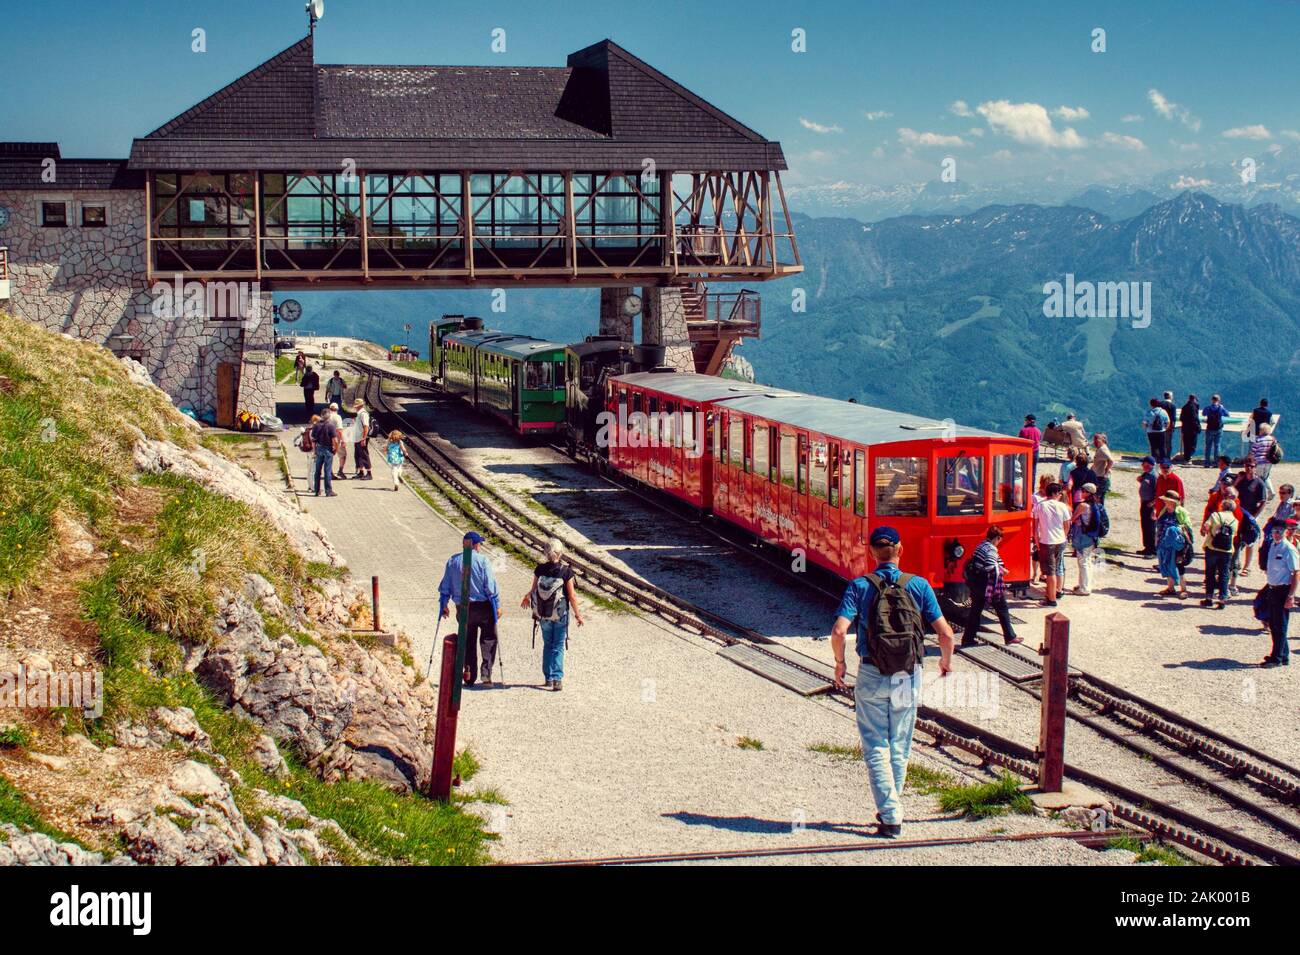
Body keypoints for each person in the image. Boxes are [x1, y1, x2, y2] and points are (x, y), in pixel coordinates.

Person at [830, 526, 955, 839]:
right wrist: (945, 662)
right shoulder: (919, 585)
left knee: (876, 746)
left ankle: (890, 815)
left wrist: (840, 663)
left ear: (872, 552)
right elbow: (946, 633)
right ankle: (892, 808)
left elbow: (839, 631)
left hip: (871, 672)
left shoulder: (859, 586)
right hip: (907, 674)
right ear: (900, 550)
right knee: (899, 744)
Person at [438, 531, 503, 686]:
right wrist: (497, 605)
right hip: (483, 607)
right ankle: (486, 675)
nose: (480, 547)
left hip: (462, 608)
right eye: (479, 544)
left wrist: (444, 605)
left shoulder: (452, 561)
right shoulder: (483, 561)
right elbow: (491, 587)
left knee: (467, 640)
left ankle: (469, 674)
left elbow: (445, 587)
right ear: (475, 545)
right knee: (488, 638)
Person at [520, 537, 585, 691]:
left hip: (544, 614)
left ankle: (548, 677)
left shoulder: (540, 569)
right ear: (560, 553)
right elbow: (572, 597)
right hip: (561, 614)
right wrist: (578, 615)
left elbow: (534, 589)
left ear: (546, 552)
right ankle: (557, 679)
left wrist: (527, 597)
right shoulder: (566, 572)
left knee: (548, 644)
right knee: (558, 645)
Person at [961, 526, 1022, 647]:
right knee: (1002, 608)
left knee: (975, 611)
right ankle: (1010, 636)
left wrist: (999, 566)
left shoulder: (981, 545)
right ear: (997, 538)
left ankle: (968, 638)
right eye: (1000, 539)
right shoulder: (991, 549)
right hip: (988, 585)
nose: (1000, 542)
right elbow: (990, 566)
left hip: (976, 583)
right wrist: (1002, 571)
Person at [1261, 518, 1298, 667]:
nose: (1276, 534)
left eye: (1279, 531)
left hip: (1283, 590)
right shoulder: (1273, 546)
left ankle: (1276, 658)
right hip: (1273, 589)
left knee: (1280, 625)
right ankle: (1283, 655)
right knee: (1274, 623)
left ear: (1285, 532)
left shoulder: (1288, 548)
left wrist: (1291, 595)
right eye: (1274, 531)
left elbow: (1296, 572)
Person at [1033, 483, 1072, 606]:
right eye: (1059, 493)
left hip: (1047, 541)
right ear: (1055, 493)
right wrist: (1064, 537)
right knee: (1057, 567)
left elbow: (1035, 526)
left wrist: (1037, 541)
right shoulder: (1062, 506)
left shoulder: (1040, 506)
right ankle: (1056, 591)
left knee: (1050, 572)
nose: (1060, 495)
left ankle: (1051, 598)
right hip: (1060, 540)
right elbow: (1067, 524)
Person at [1201, 497, 1238, 609]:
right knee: (1224, 574)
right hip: (1226, 550)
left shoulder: (1215, 516)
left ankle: (1209, 598)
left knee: (1210, 573)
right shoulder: (1235, 521)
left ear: (1222, 506)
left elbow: (1206, 527)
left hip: (1212, 548)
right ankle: (1222, 599)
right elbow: (1234, 535)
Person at [1234, 459, 1267, 573]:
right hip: (1239, 513)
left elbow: (1263, 501)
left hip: (1251, 514)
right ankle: (1236, 561)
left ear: (1255, 467)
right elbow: (1232, 492)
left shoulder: (1259, 483)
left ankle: (1247, 566)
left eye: (1252, 466)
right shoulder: (1241, 480)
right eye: (1247, 466)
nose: (1249, 468)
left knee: (1250, 540)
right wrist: (1237, 480)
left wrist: (1255, 516)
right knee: (1237, 538)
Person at [1069, 483, 1103, 595]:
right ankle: (1085, 585)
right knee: (1087, 561)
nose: (1081, 492)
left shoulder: (1083, 505)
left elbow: (1073, 518)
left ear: (1088, 492)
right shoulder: (1096, 504)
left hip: (1082, 536)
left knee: (1083, 562)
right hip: (1091, 536)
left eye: (1083, 490)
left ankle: (1084, 589)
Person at [1155, 492, 1189, 598]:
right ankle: (1170, 588)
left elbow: (1187, 527)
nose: (1164, 501)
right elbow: (1159, 525)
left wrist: (1176, 529)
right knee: (1165, 563)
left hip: (1176, 543)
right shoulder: (1164, 510)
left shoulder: (1181, 512)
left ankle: (1184, 590)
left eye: (1166, 500)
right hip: (1163, 542)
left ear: (1172, 502)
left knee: (1179, 565)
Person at [309, 410, 339, 498]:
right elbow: (335, 440)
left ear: (321, 415)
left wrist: (314, 451)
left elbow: (313, 440)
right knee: (327, 471)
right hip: (328, 449)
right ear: (329, 417)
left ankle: (317, 490)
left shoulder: (316, 425)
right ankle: (328, 491)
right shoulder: (331, 426)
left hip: (319, 448)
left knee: (317, 471)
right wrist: (335, 449)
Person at [1031, 474, 1053, 583]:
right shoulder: (1036, 496)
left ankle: (1043, 573)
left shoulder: (1053, 496)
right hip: (1039, 528)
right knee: (1036, 553)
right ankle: (1035, 574)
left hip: (1049, 527)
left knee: (1046, 553)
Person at [1136, 456, 1158, 557]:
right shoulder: (1147, 474)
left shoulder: (1153, 476)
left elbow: (1157, 492)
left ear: (1149, 465)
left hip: (1150, 503)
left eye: (1144, 464)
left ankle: (1152, 550)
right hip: (1144, 502)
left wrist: (1153, 504)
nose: (1142, 466)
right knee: (1144, 525)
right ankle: (1147, 547)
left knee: (1150, 526)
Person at [1250, 422, 1277, 501]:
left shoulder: (1258, 439)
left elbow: (1253, 451)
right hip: (1269, 461)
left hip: (1259, 461)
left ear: (1261, 430)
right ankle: (1271, 491)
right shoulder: (1272, 439)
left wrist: (1250, 458)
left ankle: (1263, 495)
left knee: (1259, 478)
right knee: (1266, 477)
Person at [1202, 394, 1228, 468]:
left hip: (1209, 428)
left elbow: (1203, 413)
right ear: (1218, 400)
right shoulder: (1220, 408)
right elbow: (1227, 414)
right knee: (1217, 446)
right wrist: (1222, 407)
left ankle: (1207, 463)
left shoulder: (1208, 408)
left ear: (1212, 400)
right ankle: (1216, 463)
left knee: (1208, 446)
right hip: (1218, 429)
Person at [1089, 434, 1114, 505]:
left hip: (1101, 477)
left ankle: (1101, 515)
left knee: (1098, 500)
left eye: (1097, 439)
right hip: (1098, 475)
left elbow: (1111, 460)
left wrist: (1106, 469)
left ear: (1102, 440)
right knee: (1097, 499)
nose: (1094, 441)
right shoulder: (1100, 449)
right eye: (1094, 439)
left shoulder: (1103, 449)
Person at [351, 398, 373, 480]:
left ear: (360, 405)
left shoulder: (363, 414)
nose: (355, 407)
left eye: (356, 406)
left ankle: (369, 473)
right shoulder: (359, 413)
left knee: (364, 455)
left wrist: (364, 438)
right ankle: (361, 472)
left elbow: (366, 427)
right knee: (357, 455)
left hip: (361, 438)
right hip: (358, 438)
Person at [326, 402, 348, 480]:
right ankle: (340, 471)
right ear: (337, 409)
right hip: (336, 439)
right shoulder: (337, 417)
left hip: (327, 439)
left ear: (329, 409)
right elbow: (339, 430)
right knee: (343, 455)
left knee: (329, 456)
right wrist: (343, 440)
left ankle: (330, 472)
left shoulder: (326, 417)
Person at [1179, 394, 1201, 463]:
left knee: (1186, 444)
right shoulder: (1193, 407)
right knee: (1192, 444)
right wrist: (1198, 427)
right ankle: (1188, 458)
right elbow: (1194, 418)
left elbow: (1181, 418)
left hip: (1185, 428)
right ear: (1194, 399)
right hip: (1192, 429)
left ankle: (1186, 458)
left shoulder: (1184, 407)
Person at [1159, 391, 1178, 459]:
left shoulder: (1160, 404)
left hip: (1159, 426)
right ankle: (1167, 457)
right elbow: (1173, 418)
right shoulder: (1172, 406)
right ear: (1170, 397)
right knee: (1168, 443)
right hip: (1168, 427)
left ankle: (1160, 456)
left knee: (1160, 442)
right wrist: (1172, 427)